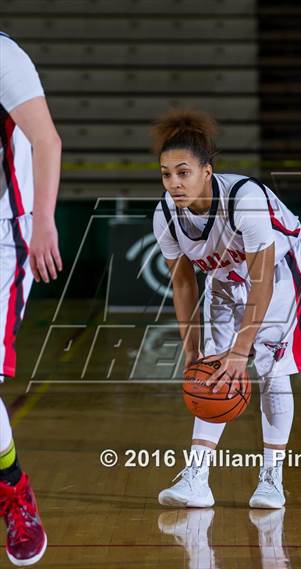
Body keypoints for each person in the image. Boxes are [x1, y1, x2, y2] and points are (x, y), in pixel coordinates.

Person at [152, 109, 301, 509]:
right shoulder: (166, 216)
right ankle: (197, 480)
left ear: (207, 171)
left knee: (270, 368)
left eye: (183, 172)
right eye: (166, 173)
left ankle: (272, 479)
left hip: (281, 268)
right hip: (227, 275)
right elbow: (184, 282)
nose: (174, 183)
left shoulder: (246, 199)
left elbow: (261, 277)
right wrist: (192, 351)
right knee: (212, 370)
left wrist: (242, 350)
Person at [0, 32, 62, 565]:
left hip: (4, 234)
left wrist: (43, 222)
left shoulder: (2, 55)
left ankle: (15, 493)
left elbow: (46, 140)